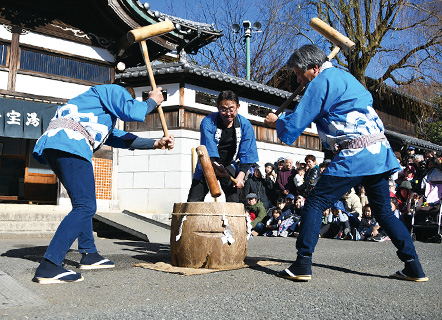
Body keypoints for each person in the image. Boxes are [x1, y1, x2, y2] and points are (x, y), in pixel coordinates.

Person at [264, 44, 427, 282]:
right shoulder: (345, 76)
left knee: (315, 202)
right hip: (378, 151)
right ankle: (414, 267)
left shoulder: (320, 83)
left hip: (356, 153)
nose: (298, 79)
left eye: (300, 73)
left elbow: (293, 127)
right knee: (384, 213)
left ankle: (302, 263)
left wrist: (276, 122)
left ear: (314, 67)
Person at [32, 82, 174, 284]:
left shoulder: (95, 112)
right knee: (86, 206)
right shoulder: (113, 90)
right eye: (127, 100)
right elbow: (132, 111)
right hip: (71, 143)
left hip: (56, 144)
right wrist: (152, 101)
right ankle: (50, 265)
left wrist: (155, 143)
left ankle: (89, 253)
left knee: (82, 205)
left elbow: (120, 138)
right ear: (125, 96)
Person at [187, 90, 259, 202]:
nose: (228, 113)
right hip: (209, 163)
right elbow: (208, 148)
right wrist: (216, 167)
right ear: (217, 107)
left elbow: (247, 154)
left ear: (238, 107)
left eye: (231, 109)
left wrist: (241, 176)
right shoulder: (208, 122)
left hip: (230, 166)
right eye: (223, 109)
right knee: (193, 200)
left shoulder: (245, 125)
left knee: (234, 201)